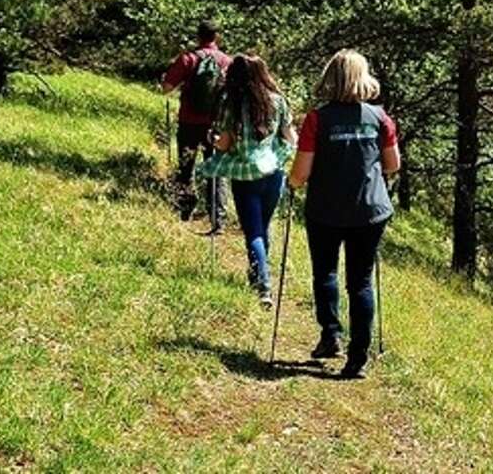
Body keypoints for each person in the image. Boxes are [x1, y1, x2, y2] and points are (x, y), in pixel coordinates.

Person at [288, 49, 399, 379]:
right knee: (361, 282)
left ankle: (331, 335)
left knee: (325, 273)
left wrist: (291, 183)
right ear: (363, 77)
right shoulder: (380, 118)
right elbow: (393, 165)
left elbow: (300, 173)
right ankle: (358, 357)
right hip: (370, 211)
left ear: (330, 78)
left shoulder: (316, 119)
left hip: (325, 210)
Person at [199, 55, 296, 306]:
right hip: (273, 172)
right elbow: (289, 137)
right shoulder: (278, 101)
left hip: (244, 175)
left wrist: (212, 139)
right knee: (263, 226)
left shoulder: (232, 103)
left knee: (252, 230)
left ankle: (263, 284)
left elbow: (225, 142)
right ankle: (257, 275)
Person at [161, 19, 232, 230]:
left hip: (189, 122)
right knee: (216, 169)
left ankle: (184, 211)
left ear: (198, 36)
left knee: (186, 166)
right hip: (216, 125)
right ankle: (218, 218)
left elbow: (166, 88)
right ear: (216, 37)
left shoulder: (188, 59)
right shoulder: (227, 62)